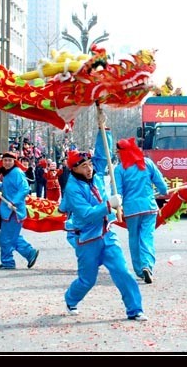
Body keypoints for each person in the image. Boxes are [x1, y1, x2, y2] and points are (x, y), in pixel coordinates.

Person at [59, 136, 146, 321]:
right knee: (87, 280)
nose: (89, 168)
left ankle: (135, 309)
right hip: (87, 238)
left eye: (90, 164)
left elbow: (102, 154)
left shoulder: (96, 176)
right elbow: (86, 214)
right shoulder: (72, 189)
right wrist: (108, 205)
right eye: (84, 166)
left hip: (107, 233)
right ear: (74, 169)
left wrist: (104, 131)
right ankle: (71, 298)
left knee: (122, 271)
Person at [114, 137, 168, 283]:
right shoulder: (147, 163)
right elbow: (162, 186)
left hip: (131, 210)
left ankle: (139, 269)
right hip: (149, 207)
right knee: (147, 236)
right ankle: (147, 265)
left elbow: (118, 193)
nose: (117, 155)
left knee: (134, 239)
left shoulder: (119, 170)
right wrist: (162, 191)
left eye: (118, 152)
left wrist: (118, 207)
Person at [0, 151, 39, 270]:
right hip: (8, 209)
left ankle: (9, 262)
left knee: (6, 238)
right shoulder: (7, 173)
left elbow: (25, 188)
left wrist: (14, 201)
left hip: (14, 211)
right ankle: (29, 253)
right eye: (5, 160)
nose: (7, 162)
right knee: (12, 236)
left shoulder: (17, 172)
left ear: (14, 161)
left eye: (9, 160)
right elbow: (6, 186)